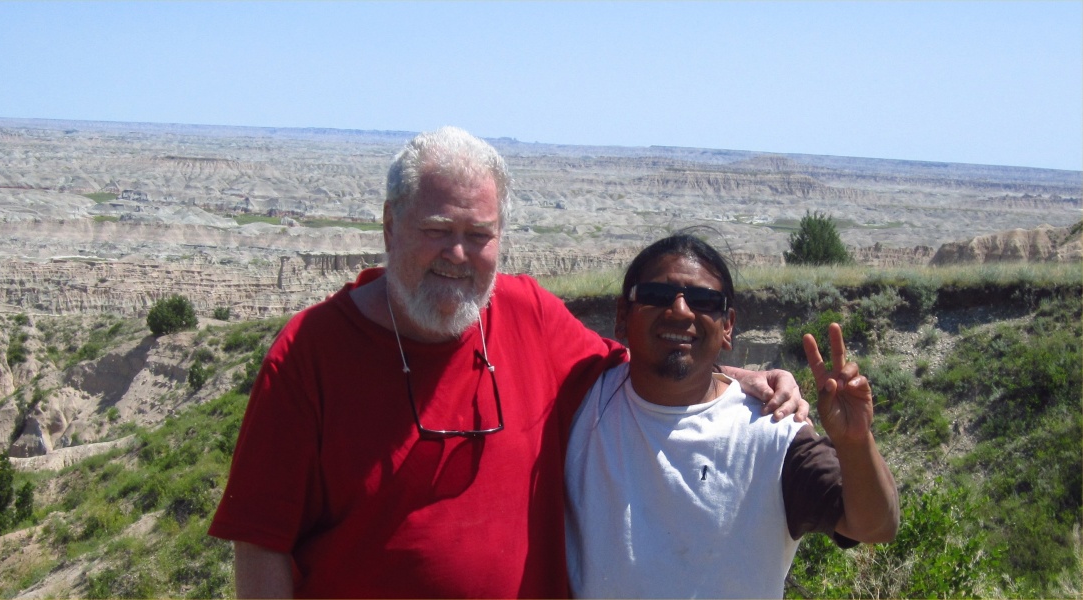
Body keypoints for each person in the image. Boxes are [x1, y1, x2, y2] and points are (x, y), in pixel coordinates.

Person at [208, 127, 808, 598]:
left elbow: (637, 364)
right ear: (390, 226)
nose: (458, 254)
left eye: (480, 234)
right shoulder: (309, 353)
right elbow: (260, 545)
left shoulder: (529, 315)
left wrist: (738, 378)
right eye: (437, 229)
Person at [565, 233, 900, 598]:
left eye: (704, 300)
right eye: (656, 296)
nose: (679, 311)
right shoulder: (579, 403)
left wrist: (855, 442)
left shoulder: (772, 431)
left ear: (728, 326)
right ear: (622, 316)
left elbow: (874, 526)